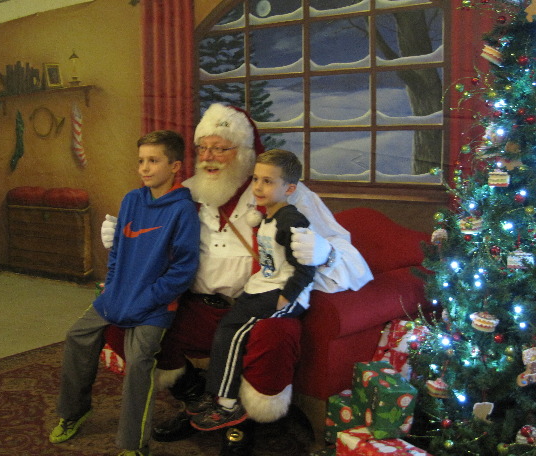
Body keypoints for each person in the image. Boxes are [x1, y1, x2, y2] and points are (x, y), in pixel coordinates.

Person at [102, 103, 373, 455]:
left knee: (275, 336)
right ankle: (196, 399)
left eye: (221, 148)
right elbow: (153, 247)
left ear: (245, 152)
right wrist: (124, 241)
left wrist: (325, 252)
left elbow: (351, 257)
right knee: (125, 320)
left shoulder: (285, 193)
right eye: (203, 147)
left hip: (261, 304)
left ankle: (239, 420)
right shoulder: (185, 193)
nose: (208, 157)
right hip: (198, 305)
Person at [50, 130, 200, 456]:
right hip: (117, 295)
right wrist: (112, 286)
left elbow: (183, 270)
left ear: (175, 166)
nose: (144, 168)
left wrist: (147, 299)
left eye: (153, 161)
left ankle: (134, 444)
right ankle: (74, 411)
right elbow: (117, 250)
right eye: (141, 161)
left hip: (155, 305)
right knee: (77, 336)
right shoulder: (131, 200)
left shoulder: (183, 210)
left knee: (140, 361)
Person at [188, 149, 315, 432]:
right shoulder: (269, 216)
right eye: (256, 179)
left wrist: (286, 297)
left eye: (268, 181)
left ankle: (227, 405)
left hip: (281, 293)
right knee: (226, 330)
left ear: (289, 189)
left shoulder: (291, 220)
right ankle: (216, 394)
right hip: (263, 287)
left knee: (235, 334)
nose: (258, 187)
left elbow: (306, 266)